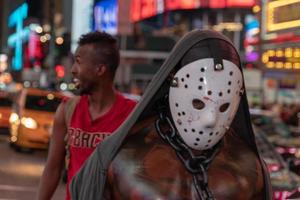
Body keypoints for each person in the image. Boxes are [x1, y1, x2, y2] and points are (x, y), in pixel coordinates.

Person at [70, 30, 272, 200]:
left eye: (223, 106)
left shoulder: (250, 169)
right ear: (173, 81)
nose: (210, 120)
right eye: (198, 103)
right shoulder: (119, 158)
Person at [37, 31, 137, 200]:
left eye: (78, 62)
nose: (73, 70)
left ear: (100, 69)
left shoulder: (132, 115)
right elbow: (53, 168)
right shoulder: (67, 110)